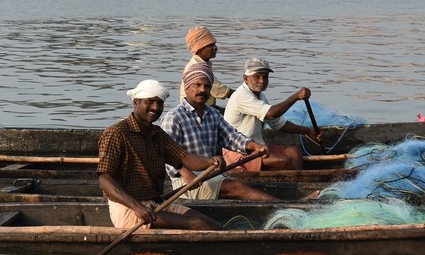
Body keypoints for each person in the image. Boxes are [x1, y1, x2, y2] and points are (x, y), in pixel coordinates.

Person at [97, 79, 223, 230]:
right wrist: (137, 207)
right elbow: (104, 180)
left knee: (212, 224)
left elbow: (186, 158)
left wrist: (210, 162)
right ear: (136, 102)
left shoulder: (158, 134)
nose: (155, 107)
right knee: (198, 224)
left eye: (159, 103)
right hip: (128, 209)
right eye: (149, 102)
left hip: (155, 204)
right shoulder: (116, 133)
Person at [158, 63, 275, 201]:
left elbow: (232, 137)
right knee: (236, 187)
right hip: (186, 182)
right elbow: (164, 154)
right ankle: (284, 207)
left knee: (240, 186)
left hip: (211, 174)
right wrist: (185, 173)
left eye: (207, 86)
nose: (202, 90)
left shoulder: (213, 114)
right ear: (187, 87)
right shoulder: (174, 117)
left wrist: (255, 146)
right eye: (197, 85)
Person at [223, 58, 323, 171]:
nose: (262, 81)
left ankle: (298, 178)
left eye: (265, 77)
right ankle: (297, 182)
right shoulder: (241, 95)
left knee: (294, 151)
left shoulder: (260, 97)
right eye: (257, 76)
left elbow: (278, 124)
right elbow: (271, 114)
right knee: (284, 161)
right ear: (246, 78)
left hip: (258, 148)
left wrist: (309, 131)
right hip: (239, 152)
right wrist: (296, 97)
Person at [182, 26, 231, 105]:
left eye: (214, 44)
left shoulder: (203, 64)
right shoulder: (197, 68)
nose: (215, 48)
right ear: (199, 49)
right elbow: (221, 91)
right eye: (210, 45)